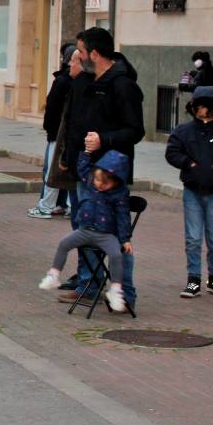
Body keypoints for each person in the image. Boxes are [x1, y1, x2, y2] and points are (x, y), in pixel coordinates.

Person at [58, 27, 144, 308]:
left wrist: (104, 139)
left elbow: (135, 130)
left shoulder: (122, 85)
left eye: (80, 52)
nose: (77, 57)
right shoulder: (85, 80)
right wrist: (68, 156)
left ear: (94, 54)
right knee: (84, 227)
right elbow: (74, 121)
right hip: (83, 169)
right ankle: (89, 284)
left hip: (109, 174)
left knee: (116, 234)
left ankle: (124, 292)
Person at [165, 86, 213, 298]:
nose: (201, 109)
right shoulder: (183, 131)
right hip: (192, 191)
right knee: (193, 237)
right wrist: (188, 164)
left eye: (205, 106)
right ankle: (193, 279)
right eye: (198, 105)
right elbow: (172, 152)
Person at [39, 149, 131, 313]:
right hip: (85, 231)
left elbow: (123, 217)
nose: (99, 184)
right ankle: (53, 275)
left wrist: (125, 239)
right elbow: (82, 167)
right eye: (97, 180)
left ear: (116, 182)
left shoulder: (119, 194)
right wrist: (86, 153)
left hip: (105, 235)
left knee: (116, 255)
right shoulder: (90, 182)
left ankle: (116, 290)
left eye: (105, 183)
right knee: (63, 243)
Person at [30, 45, 77, 219]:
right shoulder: (71, 81)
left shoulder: (64, 81)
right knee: (63, 171)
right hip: (63, 132)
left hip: (59, 133)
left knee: (52, 170)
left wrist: (49, 129)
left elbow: (53, 108)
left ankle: (46, 206)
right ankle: (65, 205)